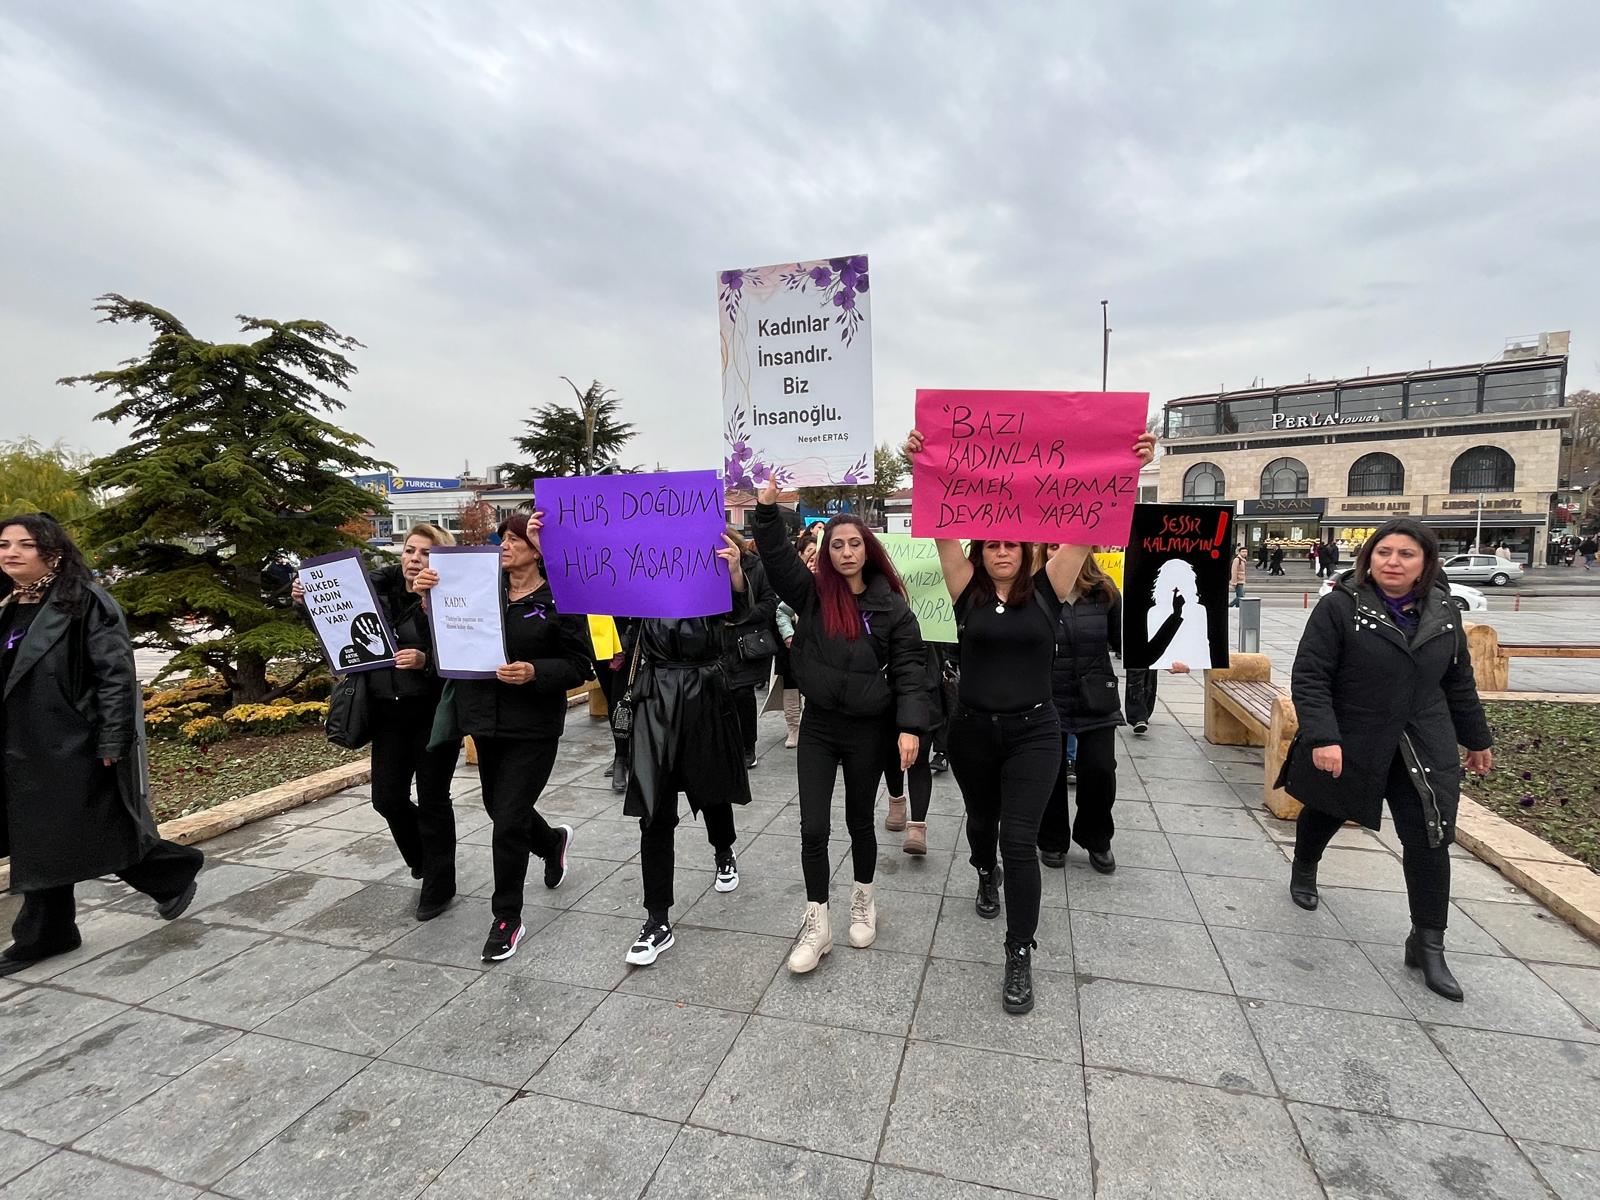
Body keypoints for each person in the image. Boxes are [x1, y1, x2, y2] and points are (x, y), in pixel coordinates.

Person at [903, 427, 1157, 1015]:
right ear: (980, 550)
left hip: (1035, 732)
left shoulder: (1051, 588)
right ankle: (981, 870)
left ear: (1026, 549)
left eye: (1011, 544)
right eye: (991, 544)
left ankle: (1019, 952)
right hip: (971, 731)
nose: (1001, 550)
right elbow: (941, 526)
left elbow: (1090, 522)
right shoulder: (964, 589)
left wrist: (1129, 464)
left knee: (1019, 840)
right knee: (982, 822)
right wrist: (923, 465)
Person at [1279, 518, 1493, 1002]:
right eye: (1384, 553)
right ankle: (1305, 866)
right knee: (1329, 809)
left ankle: (1428, 943)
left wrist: (1476, 738)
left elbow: (1458, 681)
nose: (1392, 562)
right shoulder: (1340, 607)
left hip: (1423, 740)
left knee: (1430, 836)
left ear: (1425, 564)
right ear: (1369, 559)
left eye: (1405, 554)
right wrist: (1323, 737)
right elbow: (1311, 675)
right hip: (1355, 734)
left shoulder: (1443, 611)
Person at [0, 514, 205, 976]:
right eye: (3, 544)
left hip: (69, 739)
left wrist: (113, 736)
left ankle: (165, 871)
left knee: (73, 829)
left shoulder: (84, 602)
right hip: (22, 742)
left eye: (24, 545)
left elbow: (115, 675)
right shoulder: (11, 603)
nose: (10, 552)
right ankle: (57, 929)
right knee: (48, 835)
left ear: (52, 553)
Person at [753, 482, 928, 971]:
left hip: (868, 731)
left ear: (867, 549)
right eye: (837, 545)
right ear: (826, 553)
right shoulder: (812, 595)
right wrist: (767, 511)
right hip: (820, 728)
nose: (847, 552)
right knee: (813, 827)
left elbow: (912, 668)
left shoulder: (891, 606)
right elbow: (776, 559)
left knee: (858, 821)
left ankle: (863, 899)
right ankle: (817, 922)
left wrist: (909, 726)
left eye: (854, 544)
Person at [415, 512, 593, 963]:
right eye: (502, 539)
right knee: (500, 807)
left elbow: (578, 665)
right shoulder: (480, 591)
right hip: (485, 719)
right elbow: (447, 639)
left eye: (515, 539)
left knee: (508, 819)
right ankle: (552, 843)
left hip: (533, 725)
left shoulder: (561, 600)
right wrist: (429, 598)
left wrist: (536, 672)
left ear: (537, 549)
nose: (505, 546)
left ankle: (506, 918)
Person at [294, 523, 462, 922]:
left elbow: (465, 655)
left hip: (433, 712)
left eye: (424, 553)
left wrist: (425, 661)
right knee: (387, 798)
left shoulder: (451, 596)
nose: (414, 560)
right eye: (409, 551)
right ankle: (424, 858)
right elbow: (336, 628)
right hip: (388, 712)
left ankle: (440, 882)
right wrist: (306, 601)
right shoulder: (375, 591)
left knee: (434, 799)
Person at [621, 535, 755, 967]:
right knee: (653, 808)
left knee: (711, 786)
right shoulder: (638, 578)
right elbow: (592, 588)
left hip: (704, 693)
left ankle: (723, 849)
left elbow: (741, 611)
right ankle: (656, 919)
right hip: (656, 698)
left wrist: (733, 570)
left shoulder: (711, 568)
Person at [1037, 548, 1124, 873]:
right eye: (1052, 546)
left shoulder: (1105, 591)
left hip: (1096, 696)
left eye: (1066, 545)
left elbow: (1126, 642)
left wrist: (1165, 656)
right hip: (1048, 695)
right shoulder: (1035, 591)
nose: (1059, 552)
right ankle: (1051, 839)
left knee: (1101, 770)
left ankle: (1097, 837)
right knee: (1050, 773)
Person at [881, 642, 948, 855]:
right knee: (891, 752)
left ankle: (917, 826)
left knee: (919, 757)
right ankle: (896, 801)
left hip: (925, 682)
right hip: (886, 681)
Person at [722, 529, 779, 769]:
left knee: (743, 697)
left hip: (743, 644)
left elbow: (769, 603)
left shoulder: (756, 567)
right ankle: (726, 746)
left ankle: (748, 747)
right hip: (717, 645)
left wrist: (741, 617)